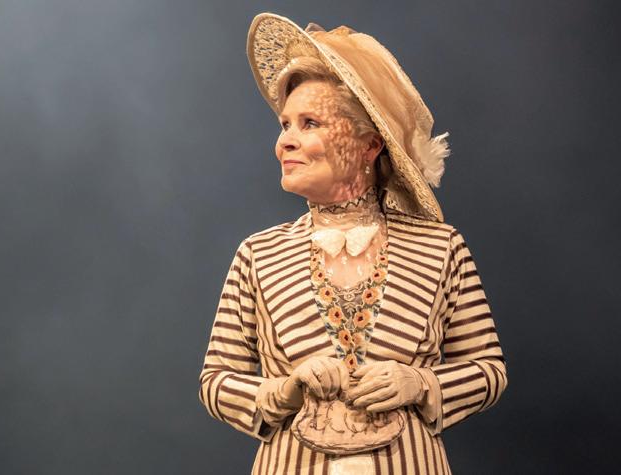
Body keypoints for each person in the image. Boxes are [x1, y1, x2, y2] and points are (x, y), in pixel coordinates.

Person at [198, 13, 508, 474]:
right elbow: (215, 381)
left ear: (369, 146)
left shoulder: (441, 248)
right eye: (285, 125)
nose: (285, 143)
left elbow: (489, 369)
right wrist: (283, 390)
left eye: (309, 123)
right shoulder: (258, 255)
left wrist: (420, 383)